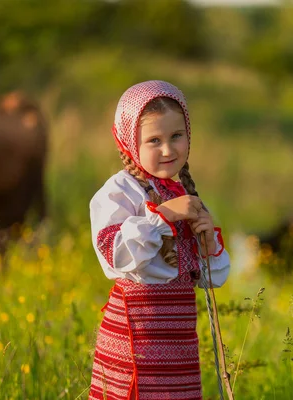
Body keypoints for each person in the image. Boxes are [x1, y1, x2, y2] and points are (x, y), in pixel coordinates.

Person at [88, 80, 231, 400]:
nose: (168, 149)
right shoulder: (119, 192)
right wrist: (162, 216)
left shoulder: (183, 193)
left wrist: (207, 245)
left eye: (176, 136)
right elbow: (115, 256)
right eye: (154, 140)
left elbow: (209, 279)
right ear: (129, 142)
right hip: (136, 338)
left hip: (178, 341)